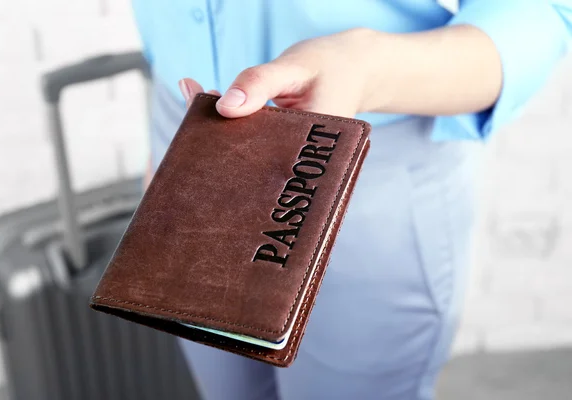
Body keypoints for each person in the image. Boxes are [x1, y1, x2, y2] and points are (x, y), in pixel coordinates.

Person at [133, 1, 572, 399]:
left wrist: (368, 69)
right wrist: (176, 141)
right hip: (190, 132)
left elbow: (540, 12)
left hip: (361, 153)